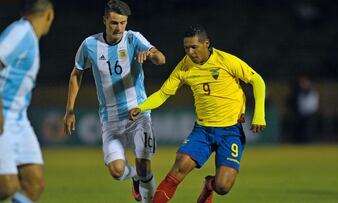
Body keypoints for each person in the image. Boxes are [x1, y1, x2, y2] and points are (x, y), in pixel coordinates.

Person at [129, 25, 266, 203]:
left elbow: (257, 80)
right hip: (203, 131)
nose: (190, 52)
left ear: (206, 44)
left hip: (231, 131)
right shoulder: (184, 67)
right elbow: (163, 93)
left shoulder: (225, 60)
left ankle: (209, 185)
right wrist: (141, 107)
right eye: (186, 48)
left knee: (223, 187)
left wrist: (259, 114)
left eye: (194, 47)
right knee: (178, 169)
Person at [63, 1, 165, 202]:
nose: (119, 28)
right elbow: (76, 74)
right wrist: (70, 110)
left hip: (139, 114)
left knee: (145, 166)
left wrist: (151, 54)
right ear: (105, 21)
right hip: (110, 120)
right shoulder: (90, 45)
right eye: (114, 23)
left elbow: (161, 58)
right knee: (117, 171)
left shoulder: (133, 38)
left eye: (123, 23)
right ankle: (133, 176)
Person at [0, 0, 55, 202]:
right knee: (7, 186)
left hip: (19, 120)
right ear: (49, 15)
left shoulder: (29, 36)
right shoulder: (20, 32)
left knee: (33, 185)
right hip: (3, 116)